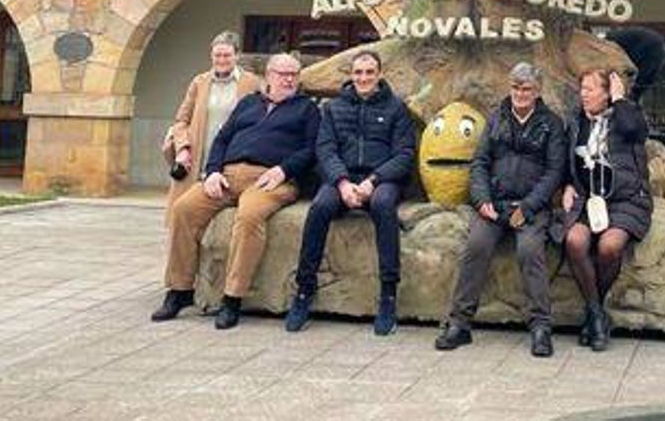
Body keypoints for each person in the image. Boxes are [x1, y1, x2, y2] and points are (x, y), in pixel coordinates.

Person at [151, 53, 320, 329]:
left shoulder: (307, 109)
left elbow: (312, 150)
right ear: (269, 75)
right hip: (228, 175)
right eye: (283, 73)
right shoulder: (249, 103)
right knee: (184, 209)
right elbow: (222, 138)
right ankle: (179, 290)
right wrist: (213, 170)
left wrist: (284, 170)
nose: (289, 79)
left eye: (294, 74)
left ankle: (233, 297)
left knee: (249, 215)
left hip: (272, 179)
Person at [435, 62, 566, 357]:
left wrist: (529, 207)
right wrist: (483, 200)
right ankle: (459, 324)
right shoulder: (495, 119)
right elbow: (480, 162)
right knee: (475, 247)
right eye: (516, 87)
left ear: (538, 91)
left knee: (530, 251)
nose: (520, 93)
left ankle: (541, 327)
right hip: (496, 203)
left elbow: (555, 172)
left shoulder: (552, 124)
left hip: (531, 207)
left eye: (527, 88)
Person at [285, 49, 416, 336]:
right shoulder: (333, 108)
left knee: (383, 207)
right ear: (351, 75)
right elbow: (325, 149)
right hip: (342, 178)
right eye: (358, 73)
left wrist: (373, 180)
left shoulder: (396, 108)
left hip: (381, 180)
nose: (364, 78)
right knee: (319, 207)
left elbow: (405, 154)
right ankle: (305, 290)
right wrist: (342, 182)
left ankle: (388, 295)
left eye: (369, 72)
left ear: (379, 74)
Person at [561, 67, 653, 352]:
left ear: (607, 93)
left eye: (590, 89)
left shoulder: (627, 117)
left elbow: (634, 132)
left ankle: (594, 314)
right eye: (582, 89)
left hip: (626, 199)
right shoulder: (577, 123)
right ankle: (597, 314)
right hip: (590, 200)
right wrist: (566, 185)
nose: (583, 95)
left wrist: (620, 100)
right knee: (574, 241)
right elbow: (566, 159)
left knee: (609, 247)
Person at [161, 31, 261, 219]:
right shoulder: (199, 82)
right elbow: (181, 120)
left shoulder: (252, 84)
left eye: (227, 55)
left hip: (231, 159)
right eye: (217, 55)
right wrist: (183, 148)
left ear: (237, 56)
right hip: (198, 157)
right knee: (184, 214)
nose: (221, 60)